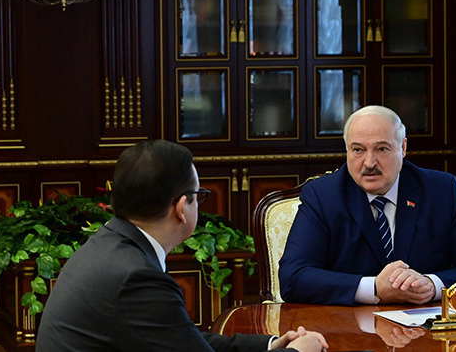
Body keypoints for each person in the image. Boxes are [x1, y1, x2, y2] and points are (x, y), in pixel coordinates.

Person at [36, 140, 328, 352]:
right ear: (180, 208)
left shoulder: (111, 245)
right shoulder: (137, 278)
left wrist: (271, 344)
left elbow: (178, 337)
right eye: (198, 195)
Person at [279, 105, 456, 306]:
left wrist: (431, 285)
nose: (369, 163)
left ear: (402, 148)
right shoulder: (323, 196)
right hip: (349, 329)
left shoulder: (441, 191)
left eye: (382, 149)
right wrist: (374, 288)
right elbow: (293, 278)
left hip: (423, 329)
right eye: (358, 150)